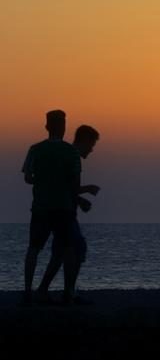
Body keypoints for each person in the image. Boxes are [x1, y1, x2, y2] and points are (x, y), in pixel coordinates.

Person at [20, 110, 81, 306]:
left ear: (47, 127)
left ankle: (28, 291)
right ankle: (67, 292)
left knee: (33, 248)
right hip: (63, 208)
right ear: (63, 127)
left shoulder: (35, 149)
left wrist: (43, 180)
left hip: (40, 207)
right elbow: (75, 183)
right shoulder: (71, 152)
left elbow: (28, 178)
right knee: (65, 249)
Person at [37, 125, 101, 304]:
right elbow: (68, 187)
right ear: (85, 140)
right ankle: (68, 292)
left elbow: (64, 186)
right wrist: (86, 192)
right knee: (76, 249)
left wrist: (80, 200)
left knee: (59, 254)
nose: (92, 149)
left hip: (59, 211)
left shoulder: (68, 155)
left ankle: (45, 290)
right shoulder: (73, 156)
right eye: (92, 144)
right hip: (64, 214)